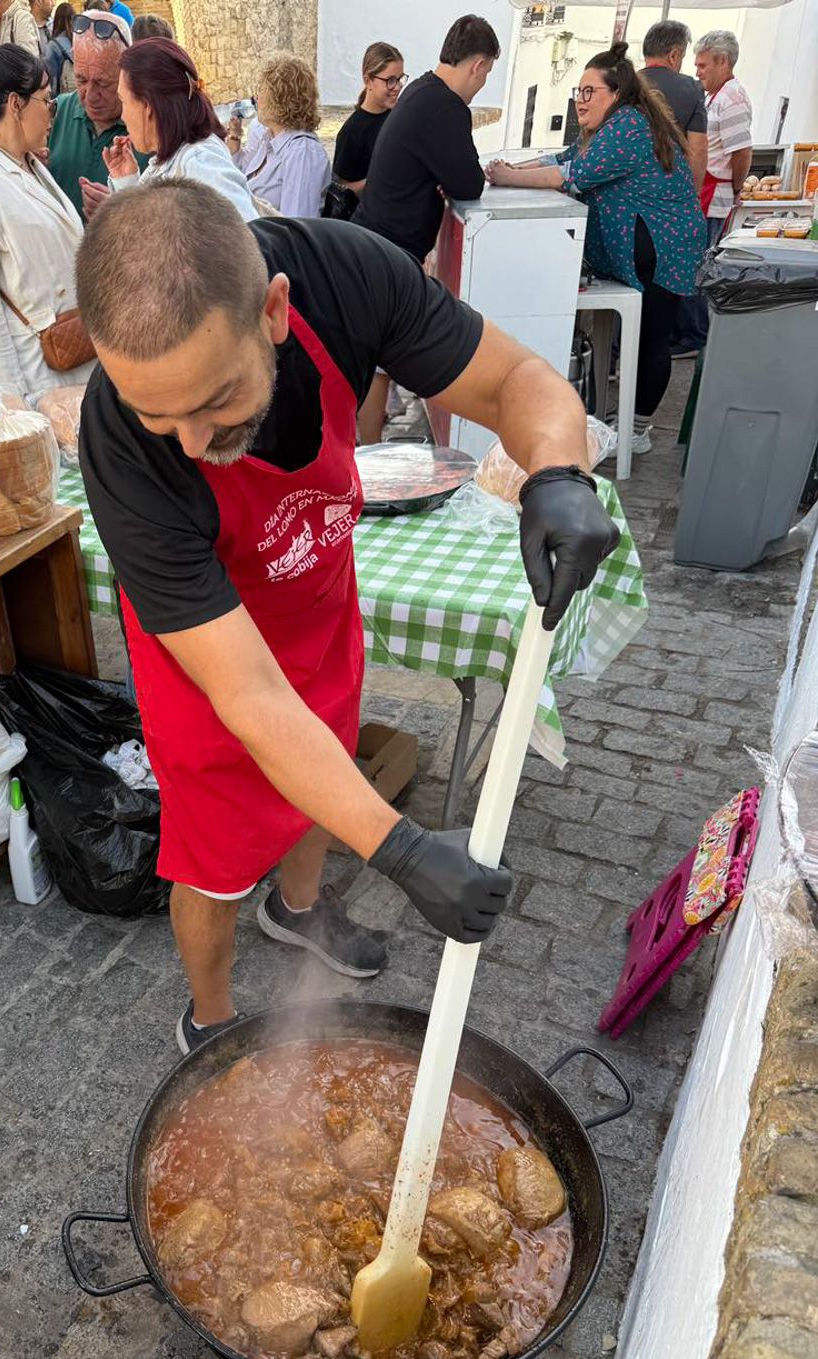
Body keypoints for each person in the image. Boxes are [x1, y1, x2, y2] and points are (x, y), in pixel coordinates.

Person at [75, 181, 619, 1051]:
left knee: (318, 774)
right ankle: (208, 1017)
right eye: (155, 413)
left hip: (317, 600)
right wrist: (399, 850)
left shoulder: (346, 276)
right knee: (210, 861)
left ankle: (297, 907)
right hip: (212, 662)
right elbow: (251, 701)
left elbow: (517, 377)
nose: (186, 441)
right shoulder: (118, 445)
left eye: (215, 401)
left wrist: (558, 473)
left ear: (275, 312)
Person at [487, 44, 705, 457]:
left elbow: (571, 175)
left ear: (617, 93)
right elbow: (560, 157)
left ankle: (636, 431)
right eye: (578, 92)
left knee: (652, 340)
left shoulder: (627, 126)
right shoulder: (607, 127)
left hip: (665, 247)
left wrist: (508, 178)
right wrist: (509, 171)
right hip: (653, 246)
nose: (580, 101)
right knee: (642, 338)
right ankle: (618, 422)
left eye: (590, 92)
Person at [0, 36, 94, 400]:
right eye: (47, 102)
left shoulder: (31, 165)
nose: (52, 114)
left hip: (80, 355)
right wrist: (14, 406)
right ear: (16, 104)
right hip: (39, 379)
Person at [355, 15, 498, 267]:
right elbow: (470, 184)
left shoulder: (420, 88)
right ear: (477, 65)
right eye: (487, 72)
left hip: (371, 242)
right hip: (386, 256)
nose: (483, 82)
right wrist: (448, 179)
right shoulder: (446, 108)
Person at [103, 36, 256, 220]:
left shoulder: (200, 164)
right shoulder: (173, 161)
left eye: (123, 101)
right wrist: (127, 183)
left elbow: (251, 238)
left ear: (147, 105)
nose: (123, 116)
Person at [673, 29, 752, 356]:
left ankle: (693, 336)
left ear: (722, 61)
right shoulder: (715, 96)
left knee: (694, 267)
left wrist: (735, 189)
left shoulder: (732, 98)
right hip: (704, 191)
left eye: (703, 65)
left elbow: (742, 151)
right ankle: (688, 333)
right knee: (690, 263)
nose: (698, 71)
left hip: (714, 193)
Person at [47, 9, 140, 222]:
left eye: (103, 83)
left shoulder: (148, 128)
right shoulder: (55, 113)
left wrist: (123, 212)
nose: (89, 95)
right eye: (81, 80)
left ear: (127, 74)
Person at [227, 53, 329, 218]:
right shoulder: (270, 138)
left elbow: (295, 226)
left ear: (281, 98)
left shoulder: (302, 152)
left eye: (261, 90)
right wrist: (234, 137)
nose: (256, 97)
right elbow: (240, 178)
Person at [332, 41, 405, 196]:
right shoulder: (352, 132)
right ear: (368, 80)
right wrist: (381, 178)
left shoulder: (401, 117)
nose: (397, 87)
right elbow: (341, 191)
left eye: (400, 79)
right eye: (390, 81)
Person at [640, 19, 706, 191]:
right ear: (674, 55)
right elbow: (697, 150)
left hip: (625, 191)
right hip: (668, 189)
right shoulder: (692, 89)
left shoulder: (622, 84)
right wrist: (694, 195)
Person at [45, 0, 74, 94]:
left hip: (62, 97)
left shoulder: (53, 46)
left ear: (57, 20)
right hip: (77, 95)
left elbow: (52, 79)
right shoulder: (80, 41)